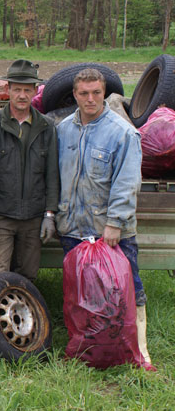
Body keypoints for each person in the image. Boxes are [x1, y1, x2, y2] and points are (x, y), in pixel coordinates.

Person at [56, 67, 151, 363]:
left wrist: (114, 223)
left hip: (110, 231)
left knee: (127, 288)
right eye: (84, 93)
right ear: (75, 95)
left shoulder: (122, 133)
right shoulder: (63, 130)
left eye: (97, 93)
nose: (90, 99)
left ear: (104, 93)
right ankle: (90, 347)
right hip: (73, 227)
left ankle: (139, 350)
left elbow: (127, 182)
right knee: (82, 293)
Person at [0, 59, 59, 281]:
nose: (22, 95)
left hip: (33, 217)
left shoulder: (47, 127)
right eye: (17, 89)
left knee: (28, 275)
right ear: (7, 90)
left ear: (35, 91)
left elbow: (52, 174)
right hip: (2, 217)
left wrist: (50, 214)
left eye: (27, 90)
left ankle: (24, 314)